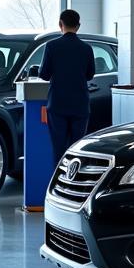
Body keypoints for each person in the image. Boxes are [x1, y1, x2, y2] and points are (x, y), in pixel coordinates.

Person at [39, 9, 96, 164]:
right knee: (77, 151)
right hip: (80, 106)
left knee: (59, 150)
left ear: (60, 24)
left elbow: (43, 75)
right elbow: (90, 74)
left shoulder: (51, 46)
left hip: (57, 106)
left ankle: (59, 185)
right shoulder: (86, 48)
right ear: (78, 26)